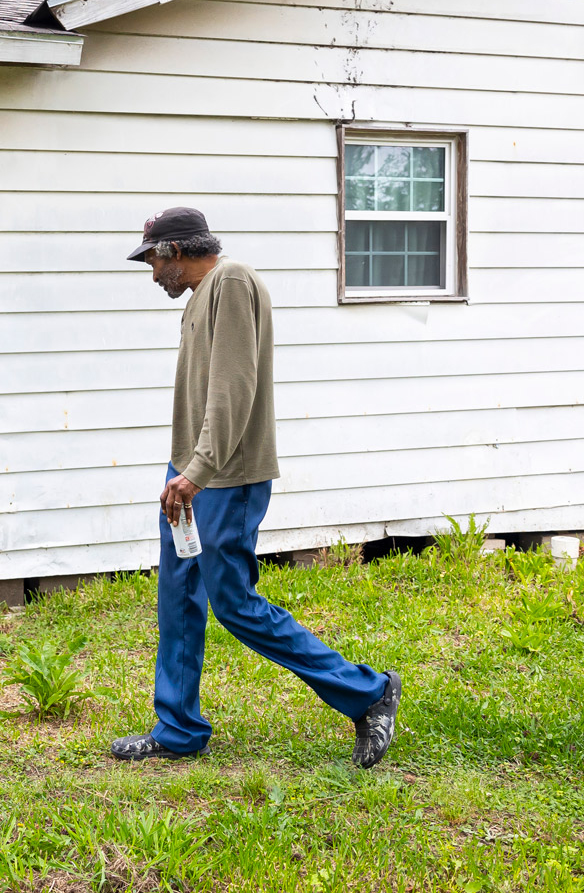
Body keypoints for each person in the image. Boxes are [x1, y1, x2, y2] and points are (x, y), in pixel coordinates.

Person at [109, 207, 402, 768]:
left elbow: (234, 386)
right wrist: (182, 470)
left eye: (152, 260)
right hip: (190, 472)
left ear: (174, 251)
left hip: (224, 476)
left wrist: (199, 471)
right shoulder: (201, 297)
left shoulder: (232, 282)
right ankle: (178, 728)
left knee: (235, 604)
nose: (151, 274)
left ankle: (368, 693)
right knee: (179, 600)